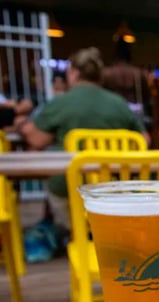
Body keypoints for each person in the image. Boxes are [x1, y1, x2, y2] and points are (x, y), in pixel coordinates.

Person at [19, 46, 148, 257]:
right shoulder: (119, 104)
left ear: (74, 73)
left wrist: (21, 126)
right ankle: (100, 236)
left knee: (60, 185)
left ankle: (77, 234)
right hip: (113, 193)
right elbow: (143, 140)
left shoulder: (60, 103)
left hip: (70, 192)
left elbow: (36, 139)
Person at [102, 39, 151, 128]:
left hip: (113, 112)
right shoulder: (137, 73)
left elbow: (102, 95)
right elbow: (146, 96)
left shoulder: (107, 73)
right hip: (135, 113)